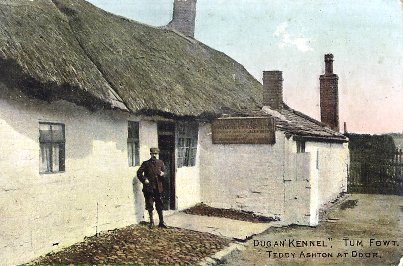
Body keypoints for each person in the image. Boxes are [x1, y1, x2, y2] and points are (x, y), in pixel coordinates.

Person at [137, 147, 167, 228]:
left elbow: (165, 173)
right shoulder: (146, 163)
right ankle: (151, 222)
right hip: (149, 188)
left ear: (158, 154)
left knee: (159, 204)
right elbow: (139, 173)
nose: (154, 155)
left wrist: (163, 174)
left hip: (158, 188)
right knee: (150, 204)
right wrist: (144, 180)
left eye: (156, 154)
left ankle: (161, 222)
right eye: (153, 153)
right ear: (150, 154)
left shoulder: (160, 163)